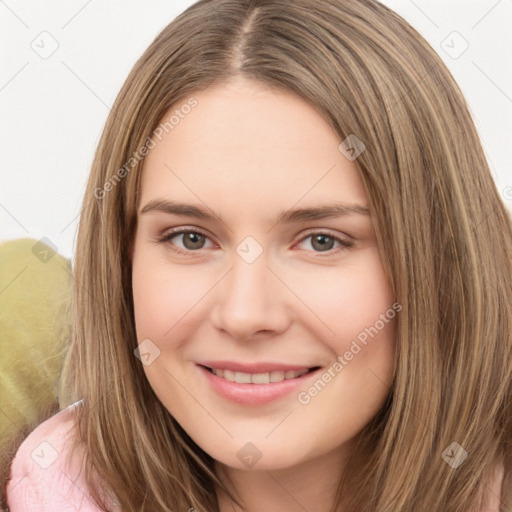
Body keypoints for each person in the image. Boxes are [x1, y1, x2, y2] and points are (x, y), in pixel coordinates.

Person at [3, 0, 511, 510]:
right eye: (191, 238)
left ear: (444, 262)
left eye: (321, 241)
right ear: (123, 259)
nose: (245, 314)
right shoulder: (52, 486)